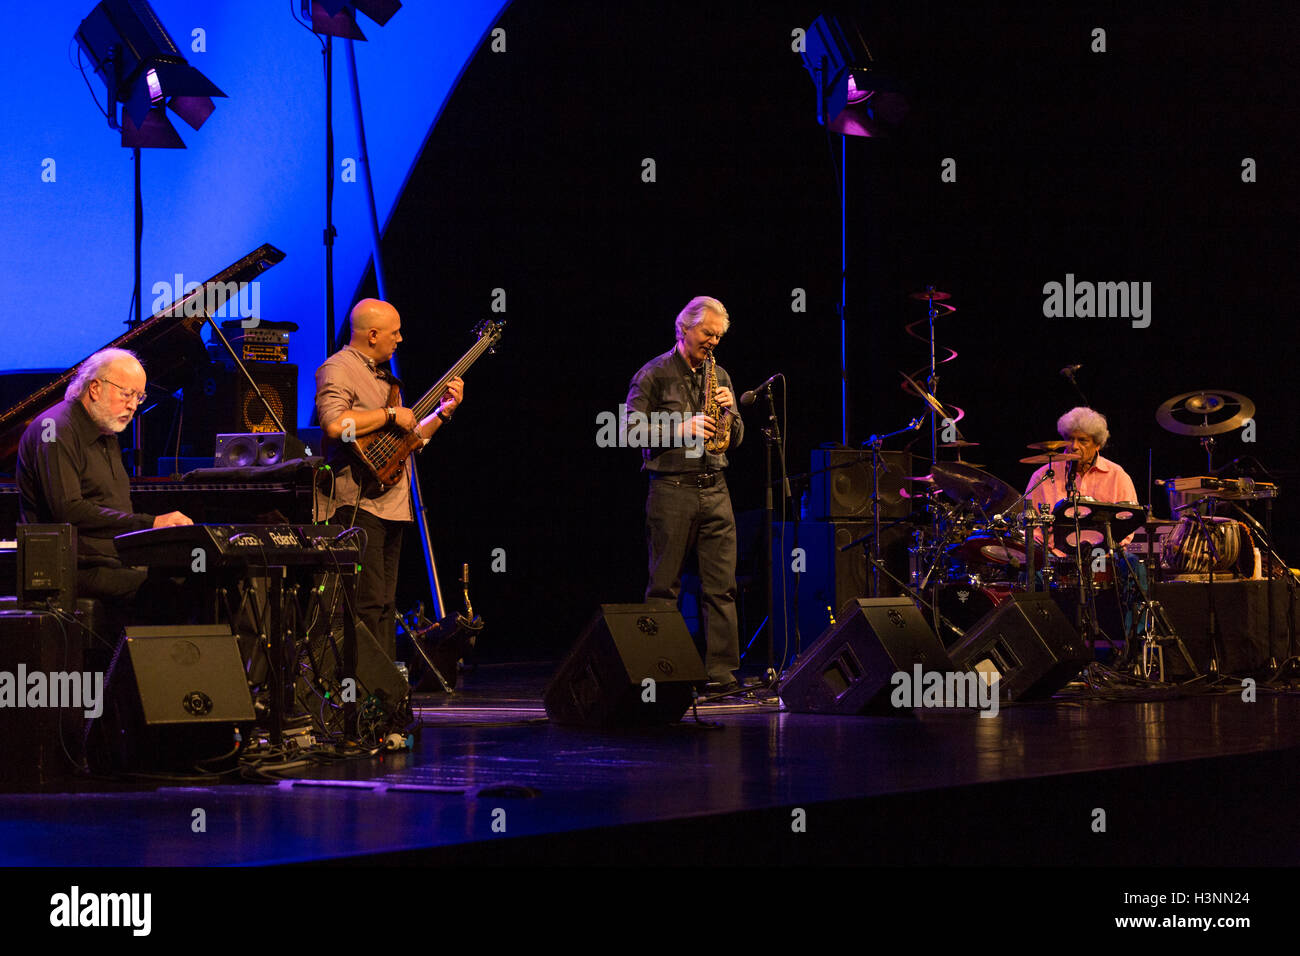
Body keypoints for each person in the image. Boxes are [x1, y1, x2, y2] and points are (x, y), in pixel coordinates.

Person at [315, 298, 463, 662]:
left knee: (383, 604)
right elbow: (336, 425)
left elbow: (408, 442)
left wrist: (443, 414)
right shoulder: (338, 368)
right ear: (373, 334)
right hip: (358, 505)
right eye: (394, 333)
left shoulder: (384, 378)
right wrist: (390, 413)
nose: (400, 339)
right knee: (366, 604)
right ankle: (360, 692)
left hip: (393, 506)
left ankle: (382, 695)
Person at [625, 296, 744, 693]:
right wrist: (679, 427)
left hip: (715, 489)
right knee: (664, 588)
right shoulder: (653, 375)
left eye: (719, 336)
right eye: (708, 334)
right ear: (684, 329)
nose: (713, 341)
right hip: (671, 490)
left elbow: (735, 436)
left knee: (722, 587)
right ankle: (661, 672)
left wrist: (730, 415)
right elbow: (628, 431)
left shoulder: (721, 375)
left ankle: (722, 674)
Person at [17, 347, 192, 606]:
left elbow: (113, 507)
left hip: (113, 561)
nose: (133, 405)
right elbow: (67, 509)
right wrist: (151, 523)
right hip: (75, 569)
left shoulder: (106, 433)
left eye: (139, 397)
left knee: (203, 576)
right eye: (127, 394)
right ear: (95, 388)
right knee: (173, 594)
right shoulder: (53, 429)